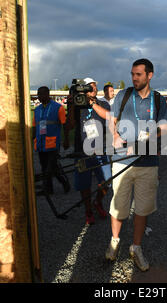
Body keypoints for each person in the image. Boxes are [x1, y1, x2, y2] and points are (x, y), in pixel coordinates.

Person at [105, 58, 167, 272]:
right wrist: (114, 136)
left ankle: (136, 247)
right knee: (119, 206)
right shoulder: (123, 96)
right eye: (132, 74)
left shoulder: (158, 100)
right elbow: (111, 120)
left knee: (142, 209)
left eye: (139, 74)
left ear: (149, 75)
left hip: (148, 163)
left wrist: (152, 134)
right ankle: (115, 241)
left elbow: (165, 126)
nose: (134, 78)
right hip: (122, 160)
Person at [66, 77, 112, 225]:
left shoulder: (102, 103)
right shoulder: (77, 104)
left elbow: (109, 117)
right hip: (82, 151)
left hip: (99, 149)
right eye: (91, 87)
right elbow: (70, 125)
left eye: (95, 87)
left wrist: (92, 103)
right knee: (84, 185)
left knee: (106, 181)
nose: (95, 89)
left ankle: (97, 202)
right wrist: (72, 105)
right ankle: (88, 211)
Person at [33, 86, 68, 195]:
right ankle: (50, 189)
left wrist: (66, 140)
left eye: (42, 94)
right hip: (40, 144)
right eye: (38, 94)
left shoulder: (58, 108)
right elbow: (35, 126)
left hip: (53, 144)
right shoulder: (37, 109)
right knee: (46, 167)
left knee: (49, 168)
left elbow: (65, 125)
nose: (40, 96)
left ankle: (54, 186)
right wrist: (32, 139)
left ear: (48, 94)